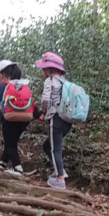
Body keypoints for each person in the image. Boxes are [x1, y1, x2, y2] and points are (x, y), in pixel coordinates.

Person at [35, 52, 72, 190]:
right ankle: (61, 171)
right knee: (48, 145)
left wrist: (43, 113)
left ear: (49, 69)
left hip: (56, 118)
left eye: (43, 69)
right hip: (67, 120)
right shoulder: (65, 81)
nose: (42, 72)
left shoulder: (50, 81)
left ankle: (60, 180)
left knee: (54, 148)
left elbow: (46, 100)